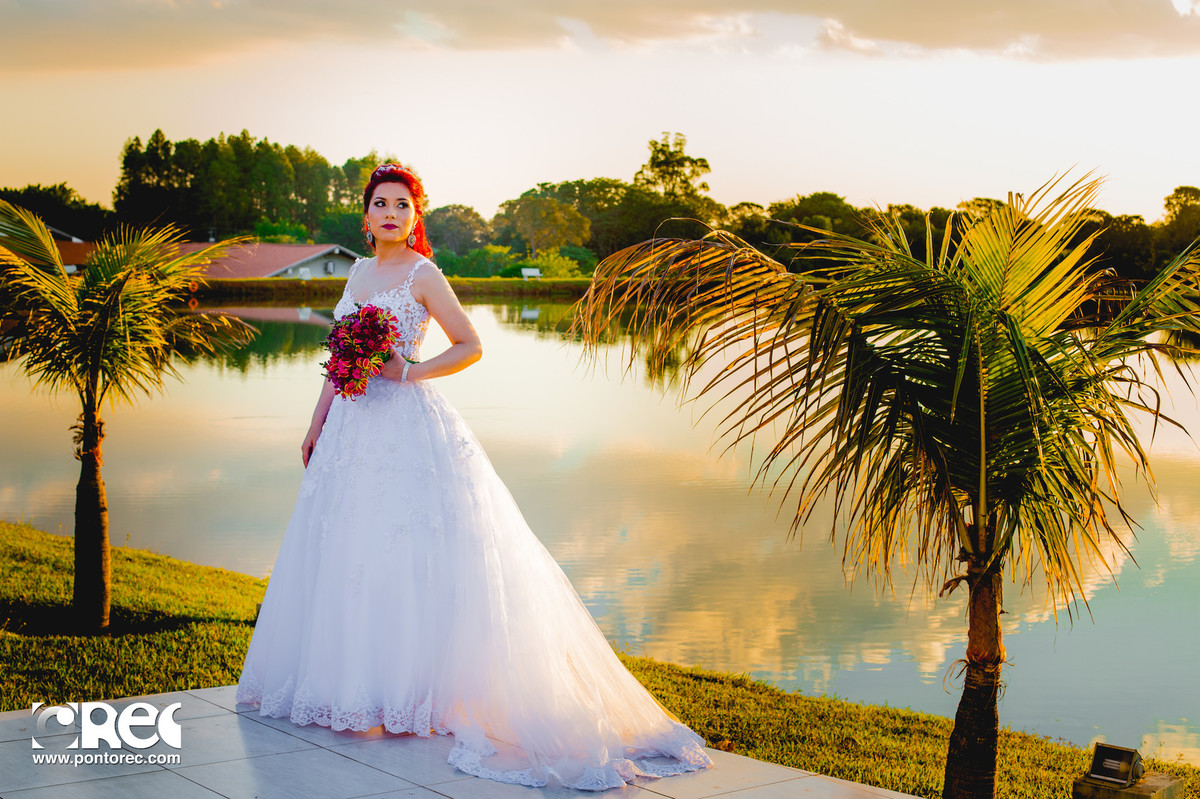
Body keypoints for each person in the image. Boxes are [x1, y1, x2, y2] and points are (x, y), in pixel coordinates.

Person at [235, 163, 713, 791]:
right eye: (380, 204)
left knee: (411, 553)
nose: (390, 214)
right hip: (352, 430)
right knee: (353, 554)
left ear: (415, 215)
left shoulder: (424, 274)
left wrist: (409, 371)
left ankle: (418, 697)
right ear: (365, 215)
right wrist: (316, 422)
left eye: (401, 205)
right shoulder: (355, 271)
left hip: (407, 424)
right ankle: (362, 693)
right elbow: (339, 358)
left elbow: (470, 345)